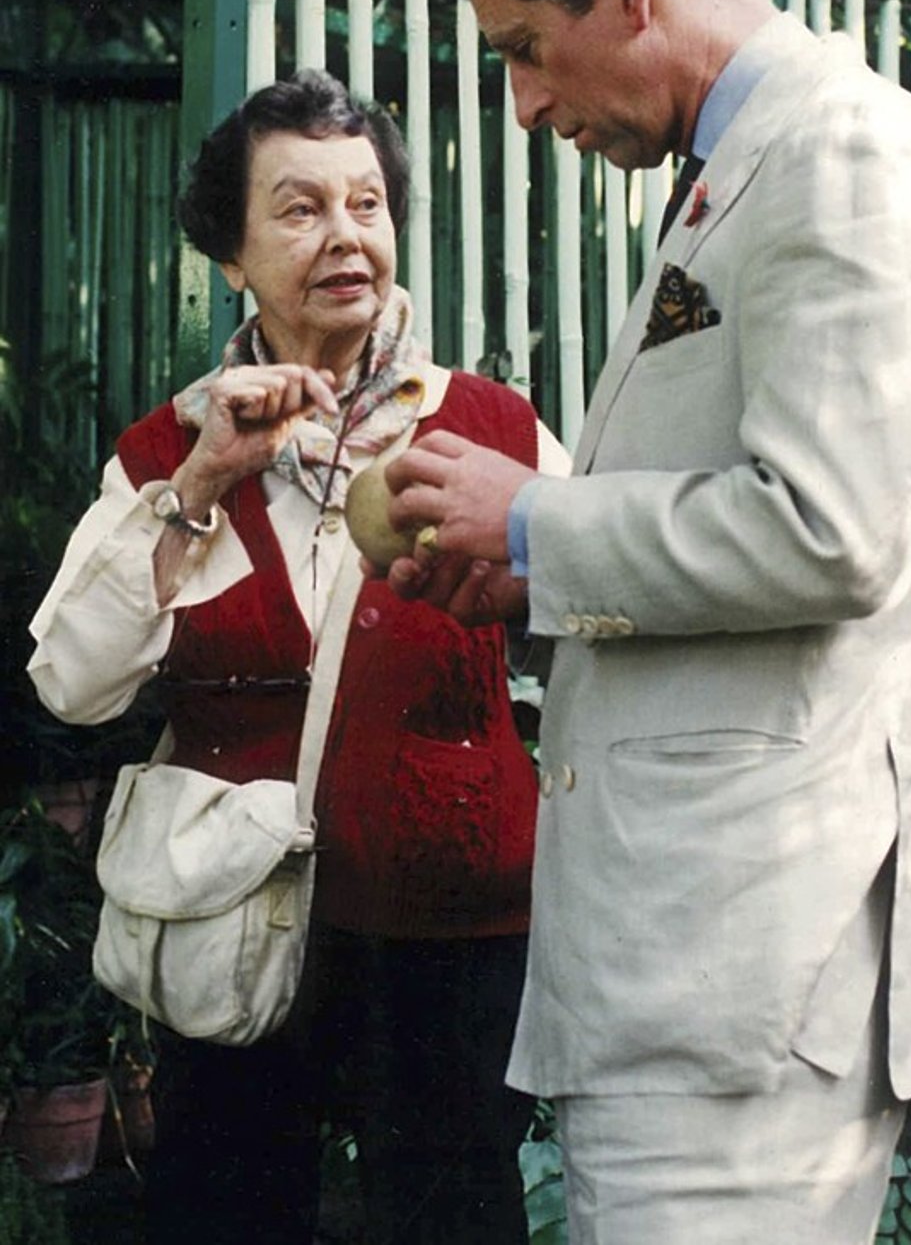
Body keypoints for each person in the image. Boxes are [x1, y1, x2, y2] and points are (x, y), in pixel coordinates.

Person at [378, 0, 911, 1244]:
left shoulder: (845, 151)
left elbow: (834, 530)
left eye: (523, 48)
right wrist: (525, 577)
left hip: (746, 977)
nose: (523, 106)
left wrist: (535, 513)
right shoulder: (750, 163)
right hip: (697, 970)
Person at [27, 69, 570, 1245]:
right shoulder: (171, 450)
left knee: (452, 1213)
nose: (345, 237)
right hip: (228, 925)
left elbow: (600, 627)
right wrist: (205, 480)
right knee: (223, 1212)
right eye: (300, 207)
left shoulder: (495, 429)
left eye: (366, 204)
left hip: (454, 933)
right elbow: (74, 683)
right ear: (230, 255)